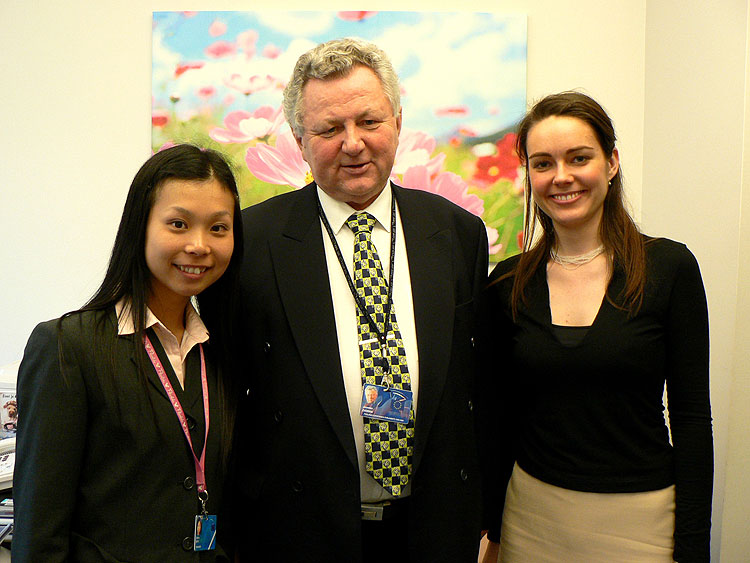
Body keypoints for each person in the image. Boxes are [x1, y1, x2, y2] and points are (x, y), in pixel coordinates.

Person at [231, 38, 489, 562]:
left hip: (433, 530)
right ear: (300, 141)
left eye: (369, 122)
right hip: (302, 531)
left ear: (397, 120)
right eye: (329, 129)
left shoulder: (458, 233)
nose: (353, 144)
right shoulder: (252, 241)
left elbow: (477, 384)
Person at [479, 92, 713, 563]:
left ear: (611, 163)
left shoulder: (668, 268)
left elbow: (691, 420)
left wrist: (692, 546)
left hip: (642, 524)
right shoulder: (507, 282)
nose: (561, 177)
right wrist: (493, 529)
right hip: (531, 521)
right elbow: (498, 419)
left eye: (579, 158)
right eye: (542, 163)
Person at [12, 144, 243, 562]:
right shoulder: (68, 347)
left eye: (218, 228)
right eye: (178, 224)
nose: (198, 245)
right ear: (140, 226)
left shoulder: (221, 350)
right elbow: (38, 531)